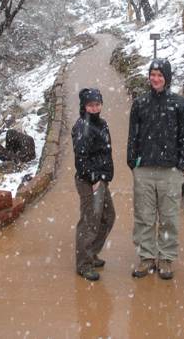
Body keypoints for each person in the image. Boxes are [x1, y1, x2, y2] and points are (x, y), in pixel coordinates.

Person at [127, 59, 184, 280]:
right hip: (144, 169)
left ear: (167, 77)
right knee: (144, 216)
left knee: (169, 217)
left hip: (170, 170)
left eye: (160, 75)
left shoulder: (179, 104)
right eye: (152, 74)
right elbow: (133, 134)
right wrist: (132, 161)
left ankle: (165, 258)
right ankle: (146, 257)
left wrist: (181, 164)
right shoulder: (140, 103)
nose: (155, 78)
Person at [72, 88, 115, 281]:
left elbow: (104, 153)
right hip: (89, 182)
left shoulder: (102, 124)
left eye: (97, 104)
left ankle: (91, 253)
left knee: (107, 216)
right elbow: (81, 160)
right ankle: (84, 264)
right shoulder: (82, 127)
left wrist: (104, 176)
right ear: (84, 106)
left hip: (101, 180)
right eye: (91, 105)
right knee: (90, 221)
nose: (95, 108)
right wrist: (95, 178)